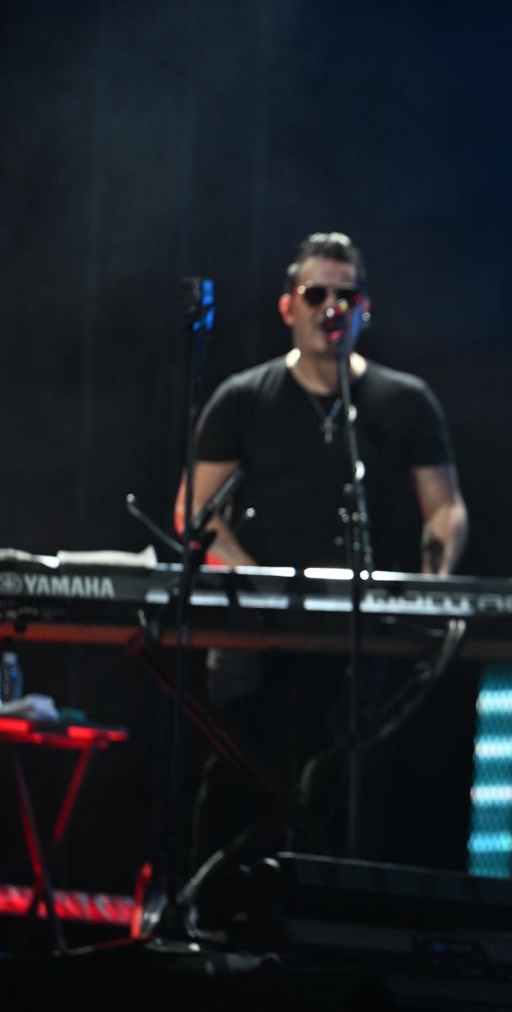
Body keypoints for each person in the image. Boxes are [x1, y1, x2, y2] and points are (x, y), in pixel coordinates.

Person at [183, 231, 469, 866]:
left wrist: (435, 575)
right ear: (289, 306)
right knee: (241, 776)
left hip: (359, 633)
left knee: (344, 784)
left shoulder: (404, 401)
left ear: (365, 308)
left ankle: (327, 908)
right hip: (255, 631)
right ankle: (216, 903)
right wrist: (260, 583)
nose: (330, 308)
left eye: (346, 296)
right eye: (316, 294)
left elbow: (445, 507)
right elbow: (194, 512)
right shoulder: (244, 397)